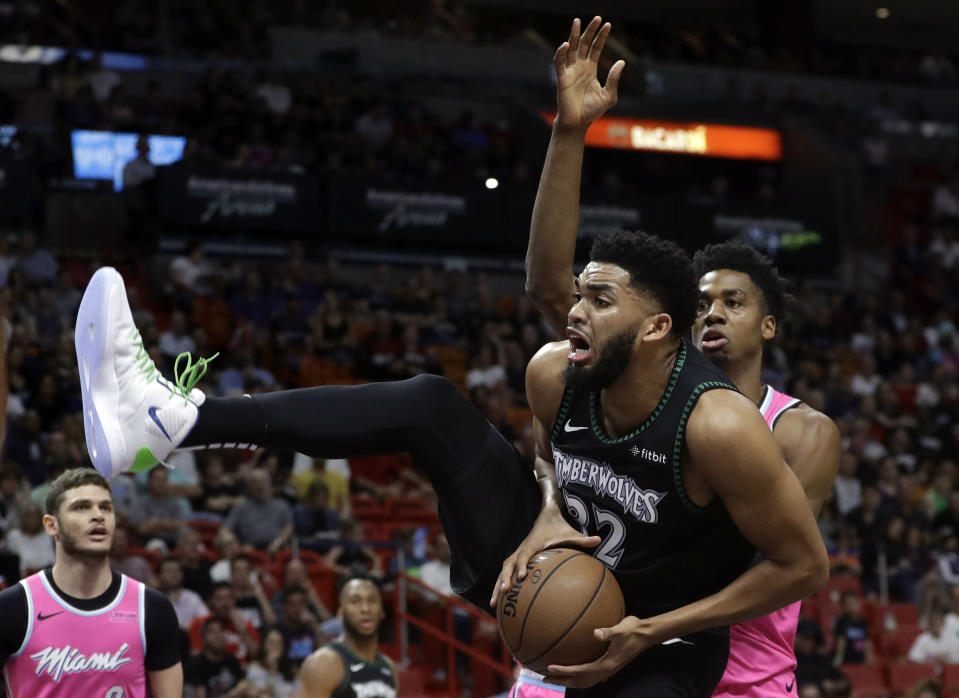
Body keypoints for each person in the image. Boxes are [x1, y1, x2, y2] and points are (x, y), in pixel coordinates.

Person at [75, 239, 827, 693]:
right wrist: (547, 518)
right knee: (434, 404)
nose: (573, 310)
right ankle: (174, 421)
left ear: (658, 328)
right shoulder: (553, 373)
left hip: (663, 636)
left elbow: (800, 567)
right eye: (578, 295)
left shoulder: (720, 425)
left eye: (598, 299)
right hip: (562, 571)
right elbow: (556, 466)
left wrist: (648, 628)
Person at [520, 15, 840, 696]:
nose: (714, 312)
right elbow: (548, 290)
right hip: (615, 631)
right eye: (703, 302)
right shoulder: (633, 385)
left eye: (734, 301)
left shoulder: (796, 430)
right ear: (664, 325)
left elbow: (751, 557)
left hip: (738, 662)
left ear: (770, 326)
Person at [0, 468, 182, 696]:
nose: (98, 515)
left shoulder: (152, 607)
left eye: (105, 507)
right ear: (51, 525)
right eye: (82, 507)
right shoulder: (12, 607)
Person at [294, 575, 398, 698]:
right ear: (340, 614)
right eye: (355, 601)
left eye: (372, 601)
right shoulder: (324, 663)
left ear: (382, 612)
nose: (365, 609)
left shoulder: (389, 667)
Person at [185, 616, 246, 698]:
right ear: (203, 639)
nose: (218, 636)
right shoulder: (195, 665)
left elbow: (244, 682)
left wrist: (240, 689)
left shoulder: (231, 660)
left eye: (221, 630)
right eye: (211, 632)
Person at [157, 555, 210, 630]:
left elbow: (206, 620)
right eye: (169, 571)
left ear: (182, 574)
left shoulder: (193, 597)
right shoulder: (155, 601)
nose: (173, 574)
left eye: (176, 570)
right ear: (160, 575)